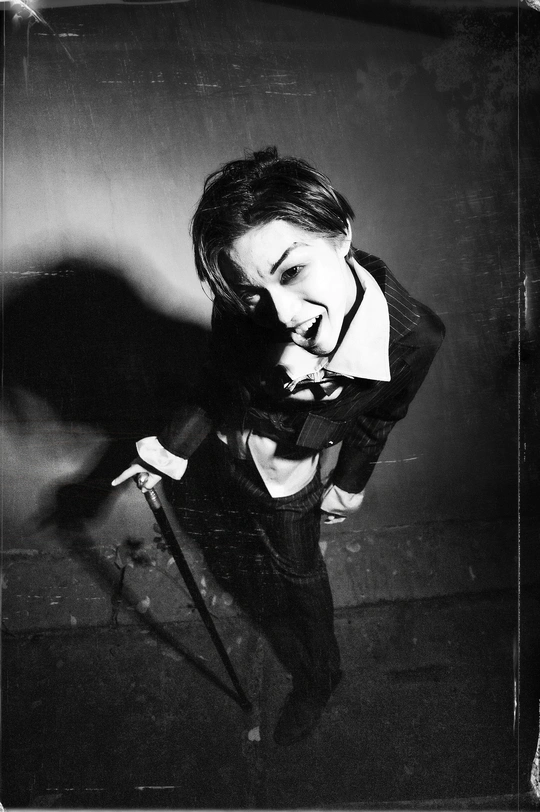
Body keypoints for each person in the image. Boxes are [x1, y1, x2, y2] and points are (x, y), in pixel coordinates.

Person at [112, 146, 445, 746]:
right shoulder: (238, 308)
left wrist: (349, 482)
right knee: (248, 552)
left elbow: (381, 415)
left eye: (292, 271)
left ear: (340, 235)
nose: (282, 313)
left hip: (287, 477)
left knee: (298, 574)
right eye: (254, 293)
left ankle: (320, 677)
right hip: (226, 453)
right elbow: (218, 381)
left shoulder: (413, 337)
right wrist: (169, 449)